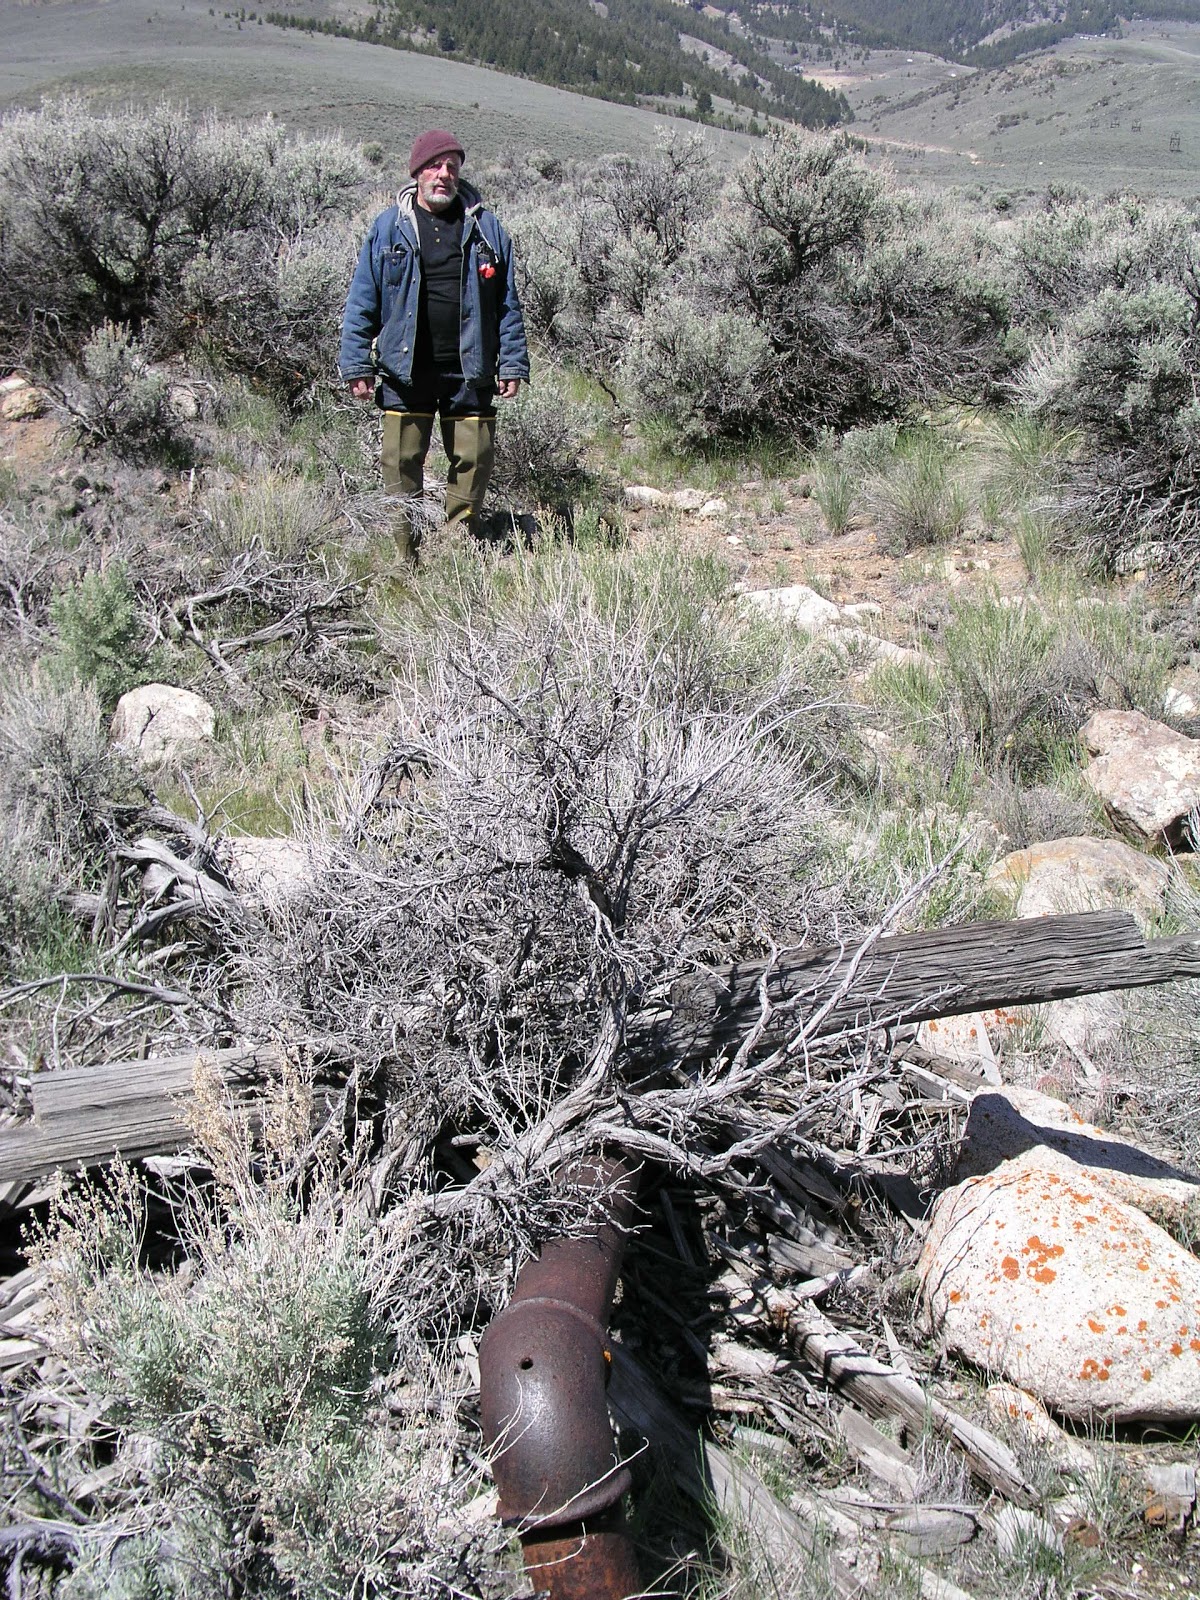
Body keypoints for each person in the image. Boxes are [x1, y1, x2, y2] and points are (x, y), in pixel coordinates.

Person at [340, 129, 530, 565]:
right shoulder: (389, 227)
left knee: (474, 460)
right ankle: (405, 557)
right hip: (407, 370)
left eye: (452, 167)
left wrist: (513, 361)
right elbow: (363, 298)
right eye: (434, 166)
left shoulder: (487, 228)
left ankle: (453, 553)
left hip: (470, 366)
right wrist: (356, 362)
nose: (444, 175)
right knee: (401, 465)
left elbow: (507, 301)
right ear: (418, 172)